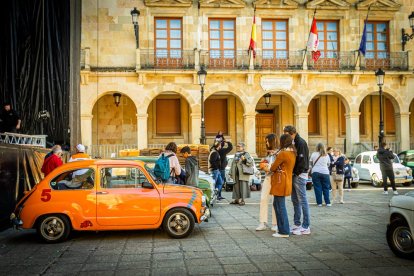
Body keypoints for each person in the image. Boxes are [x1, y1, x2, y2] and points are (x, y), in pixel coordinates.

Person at [283, 125, 311, 235]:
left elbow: (302, 161)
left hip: (299, 175)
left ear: (292, 133)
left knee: (303, 200)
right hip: (294, 175)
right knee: (295, 200)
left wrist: (296, 173)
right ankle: (297, 224)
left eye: (286, 135)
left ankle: (306, 226)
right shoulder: (293, 142)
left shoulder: (301, 143)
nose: (285, 137)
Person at [269, 134, 296, 238]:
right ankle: (282, 229)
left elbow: (273, 167)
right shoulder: (292, 152)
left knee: (280, 206)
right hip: (286, 181)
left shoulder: (283, 153)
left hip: (280, 181)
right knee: (278, 205)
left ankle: (284, 231)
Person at [256, 133, 278, 232]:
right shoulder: (268, 153)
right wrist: (264, 164)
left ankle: (275, 223)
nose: (266, 142)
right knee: (263, 199)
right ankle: (263, 222)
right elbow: (265, 163)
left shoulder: (279, 152)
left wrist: (268, 165)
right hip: (268, 178)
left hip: (276, 179)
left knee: (275, 201)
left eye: (267, 140)